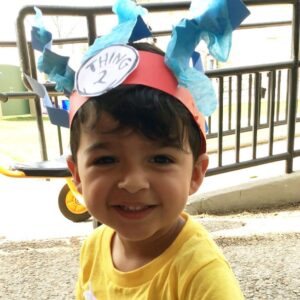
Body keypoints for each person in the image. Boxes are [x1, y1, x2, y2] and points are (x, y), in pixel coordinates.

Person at [66, 42, 245, 299]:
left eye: (160, 159)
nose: (133, 183)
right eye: (105, 160)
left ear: (195, 174)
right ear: (78, 175)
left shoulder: (202, 277)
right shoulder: (94, 247)